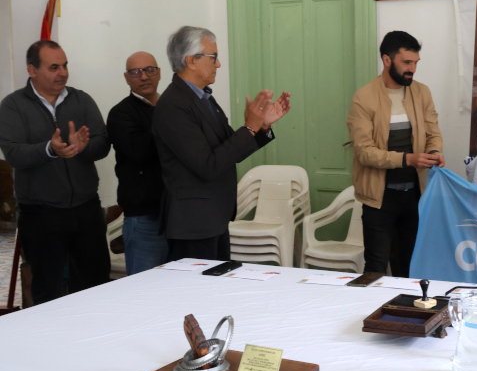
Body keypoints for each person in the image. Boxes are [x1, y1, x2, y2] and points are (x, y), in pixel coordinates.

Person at [152, 26, 291, 261]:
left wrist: (261, 126)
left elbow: (230, 149)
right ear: (191, 61)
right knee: (199, 296)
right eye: (213, 57)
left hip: (214, 217)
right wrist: (249, 126)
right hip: (193, 224)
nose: (218, 64)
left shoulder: (204, 98)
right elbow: (208, 164)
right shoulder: (173, 105)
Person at [0, 40, 111, 304]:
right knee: (47, 291)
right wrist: (50, 149)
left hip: (86, 209)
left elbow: (103, 142)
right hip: (41, 214)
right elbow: (14, 153)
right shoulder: (13, 105)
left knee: (95, 285)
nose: (62, 72)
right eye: (53, 67)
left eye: (64, 65)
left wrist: (83, 147)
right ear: (32, 70)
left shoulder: (81, 99)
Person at [346, 31, 444, 277]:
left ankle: (404, 315)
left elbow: (433, 132)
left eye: (415, 63)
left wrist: (434, 152)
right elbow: (364, 153)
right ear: (387, 60)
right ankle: (369, 314)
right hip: (379, 199)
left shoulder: (422, 93)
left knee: (409, 268)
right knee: (376, 268)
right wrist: (407, 159)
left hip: (415, 196)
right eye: (407, 63)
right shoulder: (363, 98)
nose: (412, 69)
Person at [107, 51, 167, 274]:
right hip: (144, 219)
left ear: (159, 73)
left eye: (150, 70)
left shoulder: (171, 106)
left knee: (180, 291)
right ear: (126, 77)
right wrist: (164, 116)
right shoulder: (120, 113)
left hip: (177, 214)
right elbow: (138, 151)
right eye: (136, 72)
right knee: (145, 291)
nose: (144, 77)